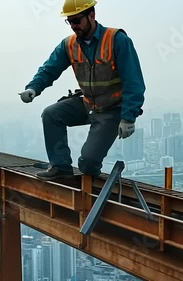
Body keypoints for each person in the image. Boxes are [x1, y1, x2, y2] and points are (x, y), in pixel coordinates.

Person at [19, 0, 146, 181]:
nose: (73, 26)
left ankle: (91, 182)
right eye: (69, 21)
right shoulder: (69, 44)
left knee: (88, 163)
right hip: (87, 103)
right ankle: (61, 168)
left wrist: (128, 117)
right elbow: (49, 69)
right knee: (51, 114)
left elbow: (133, 82)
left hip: (111, 109)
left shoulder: (116, 40)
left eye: (77, 20)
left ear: (91, 16)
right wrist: (33, 88)